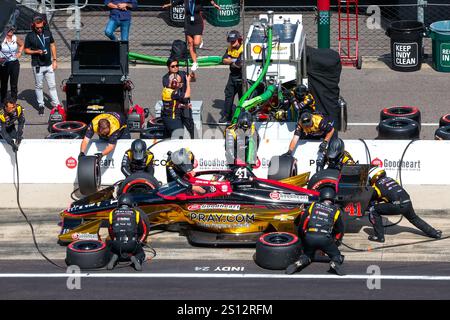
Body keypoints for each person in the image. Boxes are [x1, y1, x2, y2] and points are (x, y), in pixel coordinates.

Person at [367, 167, 442, 243]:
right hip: (407, 201)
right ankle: (434, 233)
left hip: (397, 205)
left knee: (373, 209)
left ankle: (379, 237)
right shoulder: (391, 180)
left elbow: (372, 197)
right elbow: (390, 192)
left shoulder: (376, 186)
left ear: (373, 176)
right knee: (414, 218)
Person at [286, 187, 345, 276]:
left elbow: (301, 224)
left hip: (310, 236)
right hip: (325, 238)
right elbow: (340, 229)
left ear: (321, 197)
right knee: (337, 256)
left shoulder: (313, 206)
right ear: (333, 198)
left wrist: (303, 240)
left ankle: (300, 262)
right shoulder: (336, 210)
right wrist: (333, 238)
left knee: (307, 255)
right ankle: (334, 263)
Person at [162, 0, 221, 72]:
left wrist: (214, 4)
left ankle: (200, 39)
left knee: (196, 43)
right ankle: (195, 63)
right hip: (188, 22)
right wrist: (168, 5)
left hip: (197, 21)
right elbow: (177, 2)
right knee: (190, 43)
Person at [24, 15, 60, 116]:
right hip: (37, 65)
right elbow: (26, 50)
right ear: (33, 26)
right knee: (39, 86)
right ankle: (41, 105)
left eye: (41, 27)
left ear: (43, 25)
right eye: (37, 28)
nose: (40, 29)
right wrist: (36, 52)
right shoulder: (30, 36)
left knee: (52, 85)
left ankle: (57, 105)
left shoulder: (47, 32)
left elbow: (52, 44)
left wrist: (55, 60)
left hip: (48, 64)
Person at [107, 193, 146, 271]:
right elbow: (141, 229)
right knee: (141, 253)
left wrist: (114, 240)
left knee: (110, 250)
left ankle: (115, 256)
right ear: (131, 203)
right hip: (132, 243)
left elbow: (110, 230)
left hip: (117, 243)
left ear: (119, 203)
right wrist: (139, 240)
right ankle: (136, 259)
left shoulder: (112, 213)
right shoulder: (136, 213)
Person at [162, 58, 195, 138]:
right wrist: (184, 82)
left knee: (190, 125)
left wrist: (192, 75)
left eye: (177, 65)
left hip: (184, 105)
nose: (175, 68)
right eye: (173, 66)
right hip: (173, 107)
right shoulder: (166, 78)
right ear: (168, 67)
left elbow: (193, 80)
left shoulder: (183, 73)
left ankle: (193, 140)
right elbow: (172, 86)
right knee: (175, 130)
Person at [219, 30, 244, 124]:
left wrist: (231, 60)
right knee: (228, 95)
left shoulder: (243, 48)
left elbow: (239, 65)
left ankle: (242, 116)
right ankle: (227, 115)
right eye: (231, 41)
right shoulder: (230, 47)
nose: (232, 43)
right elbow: (223, 60)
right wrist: (234, 61)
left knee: (243, 98)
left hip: (243, 77)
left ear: (239, 40)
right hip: (232, 76)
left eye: (234, 41)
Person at [0, 24, 24, 103]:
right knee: (4, 83)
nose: (11, 31)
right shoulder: (1, 38)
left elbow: (22, 44)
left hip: (14, 63)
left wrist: (19, 53)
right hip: (3, 63)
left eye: (12, 29)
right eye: (8, 29)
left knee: (14, 83)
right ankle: (3, 100)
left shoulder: (15, 37)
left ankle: (14, 100)